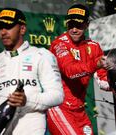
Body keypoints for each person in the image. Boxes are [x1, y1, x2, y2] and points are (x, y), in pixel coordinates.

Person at [0, 8, 64, 134]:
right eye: (0, 27)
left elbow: (57, 96)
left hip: (32, 128)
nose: (3, 32)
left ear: (22, 29)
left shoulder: (41, 55)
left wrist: (27, 100)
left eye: (8, 26)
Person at [47, 4, 111, 135]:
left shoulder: (94, 47)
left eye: (79, 25)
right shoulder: (59, 44)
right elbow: (70, 71)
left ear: (87, 25)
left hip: (80, 111)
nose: (74, 29)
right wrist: (96, 64)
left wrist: (115, 82)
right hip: (60, 108)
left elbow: (103, 80)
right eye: (71, 25)